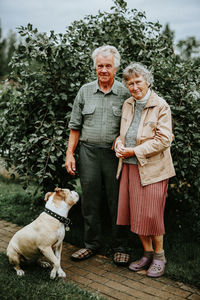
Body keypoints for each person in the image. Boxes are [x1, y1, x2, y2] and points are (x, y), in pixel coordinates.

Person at [65, 45, 130, 264]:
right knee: (90, 200)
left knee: (117, 201)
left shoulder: (124, 92)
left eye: (108, 66)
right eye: (100, 65)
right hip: (88, 153)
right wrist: (70, 154)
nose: (103, 70)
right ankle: (91, 244)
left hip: (114, 156)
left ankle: (120, 246)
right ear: (95, 67)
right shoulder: (84, 91)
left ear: (116, 68)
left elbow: (132, 126)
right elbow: (75, 126)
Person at [114, 62, 175, 277]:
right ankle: (147, 254)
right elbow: (123, 133)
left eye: (138, 81)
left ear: (147, 81)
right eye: (130, 83)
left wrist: (134, 150)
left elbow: (164, 140)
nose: (134, 86)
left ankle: (160, 256)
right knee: (136, 214)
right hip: (129, 168)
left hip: (153, 170)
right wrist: (119, 145)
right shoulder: (128, 104)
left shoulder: (161, 105)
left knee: (152, 215)